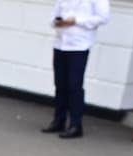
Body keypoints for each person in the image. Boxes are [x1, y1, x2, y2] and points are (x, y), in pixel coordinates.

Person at [44, 0, 110, 139]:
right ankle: (59, 120)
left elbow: (103, 18)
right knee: (60, 84)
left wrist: (76, 20)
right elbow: (54, 15)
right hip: (60, 43)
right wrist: (57, 22)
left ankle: (75, 124)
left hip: (79, 44)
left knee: (74, 85)